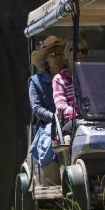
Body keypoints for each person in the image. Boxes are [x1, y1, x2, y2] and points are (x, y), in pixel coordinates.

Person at [28, 36, 66, 185]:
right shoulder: (35, 82)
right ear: (46, 59)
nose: (57, 57)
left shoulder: (70, 76)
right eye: (52, 54)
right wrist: (55, 117)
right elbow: (36, 108)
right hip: (49, 124)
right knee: (49, 139)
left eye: (60, 53)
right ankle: (52, 183)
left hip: (71, 119)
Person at [53, 38, 89, 133]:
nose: (80, 54)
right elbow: (61, 106)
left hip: (93, 119)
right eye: (76, 51)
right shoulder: (59, 79)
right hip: (72, 121)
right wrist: (79, 114)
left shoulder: (93, 76)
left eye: (84, 51)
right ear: (66, 54)